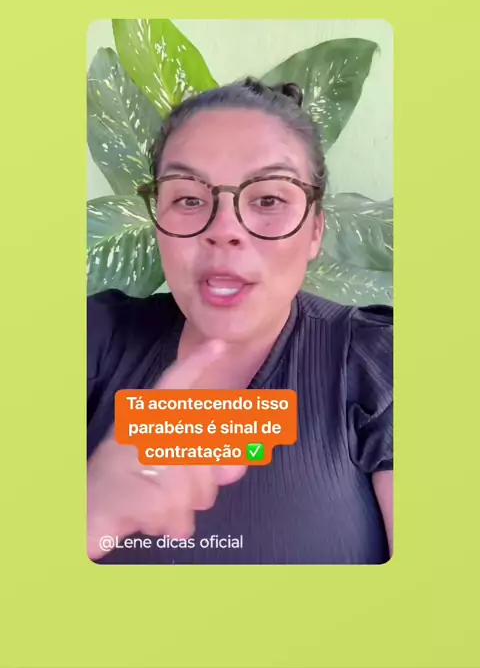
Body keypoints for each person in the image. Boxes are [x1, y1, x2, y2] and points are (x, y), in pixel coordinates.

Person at [87, 77, 393, 565]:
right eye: (189, 199)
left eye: (269, 200)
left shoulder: (380, 364)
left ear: (315, 229)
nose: (224, 229)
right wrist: (89, 518)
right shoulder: (94, 340)